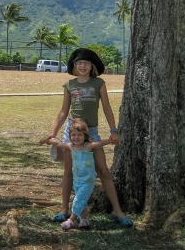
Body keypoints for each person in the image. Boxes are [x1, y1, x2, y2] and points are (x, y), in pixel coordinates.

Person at [47, 48, 133, 227]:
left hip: (91, 132)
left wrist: (113, 130)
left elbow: (107, 108)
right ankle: (64, 210)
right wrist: (53, 133)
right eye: (79, 63)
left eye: (86, 63)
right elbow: (64, 111)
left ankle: (118, 211)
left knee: (103, 171)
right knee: (69, 171)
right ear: (74, 66)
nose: (83, 66)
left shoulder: (99, 83)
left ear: (91, 65)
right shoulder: (69, 85)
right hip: (72, 133)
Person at [40, 118, 110, 230]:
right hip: (77, 180)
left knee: (78, 200)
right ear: (70, 136)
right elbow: (58, 143)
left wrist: (111, 140)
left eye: (79, 135)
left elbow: (100, 143)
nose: (76, 137)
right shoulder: (71, 147)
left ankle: (71, 220)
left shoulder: (88, 146)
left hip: (87, 181)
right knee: (82, 200)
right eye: (73, 135)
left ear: (85, 135)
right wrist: (46, 140)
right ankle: (84, 220)